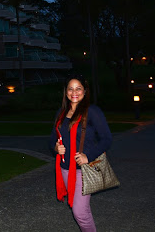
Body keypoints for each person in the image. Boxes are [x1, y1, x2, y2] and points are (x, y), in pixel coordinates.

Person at [48, 74, 112, 232]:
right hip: (65, 169)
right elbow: (52, 138)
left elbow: (106, 139)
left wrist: (88, 156)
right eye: (70, 89)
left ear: (85, 91)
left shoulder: (92, 111)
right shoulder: (61, 113)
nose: (74, 92)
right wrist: (55, 147)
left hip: (83, 170)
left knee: (79, 212)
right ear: (66, 92)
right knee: (82, 208)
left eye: (78, 88)